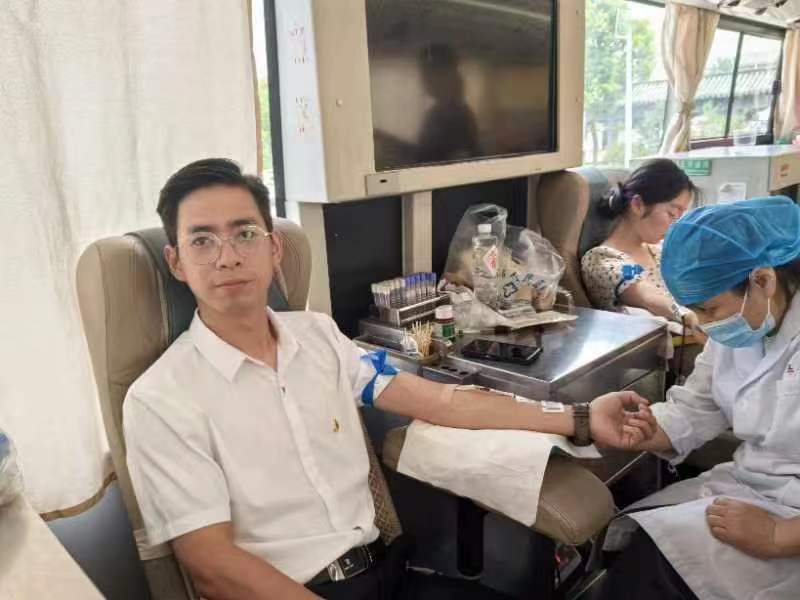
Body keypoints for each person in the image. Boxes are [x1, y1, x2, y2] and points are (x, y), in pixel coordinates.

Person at [122, 158, 655, 600]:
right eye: (202, 241)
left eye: (244, 234)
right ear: (176, 262)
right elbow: (212, 565)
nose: (228, 257)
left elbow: (443, 401)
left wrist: (579, 417)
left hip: (390, 573)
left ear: (274, 248)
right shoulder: (162, 398)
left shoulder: (318, 337)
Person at [599, 197, 800, 600]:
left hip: (790, 522)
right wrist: (650, 428)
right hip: (750, 487)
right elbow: (695, 407)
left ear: (763, 281)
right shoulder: (743, 325)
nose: (705, 327)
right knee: (635, 550)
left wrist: (779, 536)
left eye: (710, 310)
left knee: (655, 573)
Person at [581, 159, 703, 337]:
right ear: (637, 205)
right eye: (672, 214)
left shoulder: (656, 251)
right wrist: (686, 315)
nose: (675, 225)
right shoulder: (606, 259)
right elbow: (646, 295)